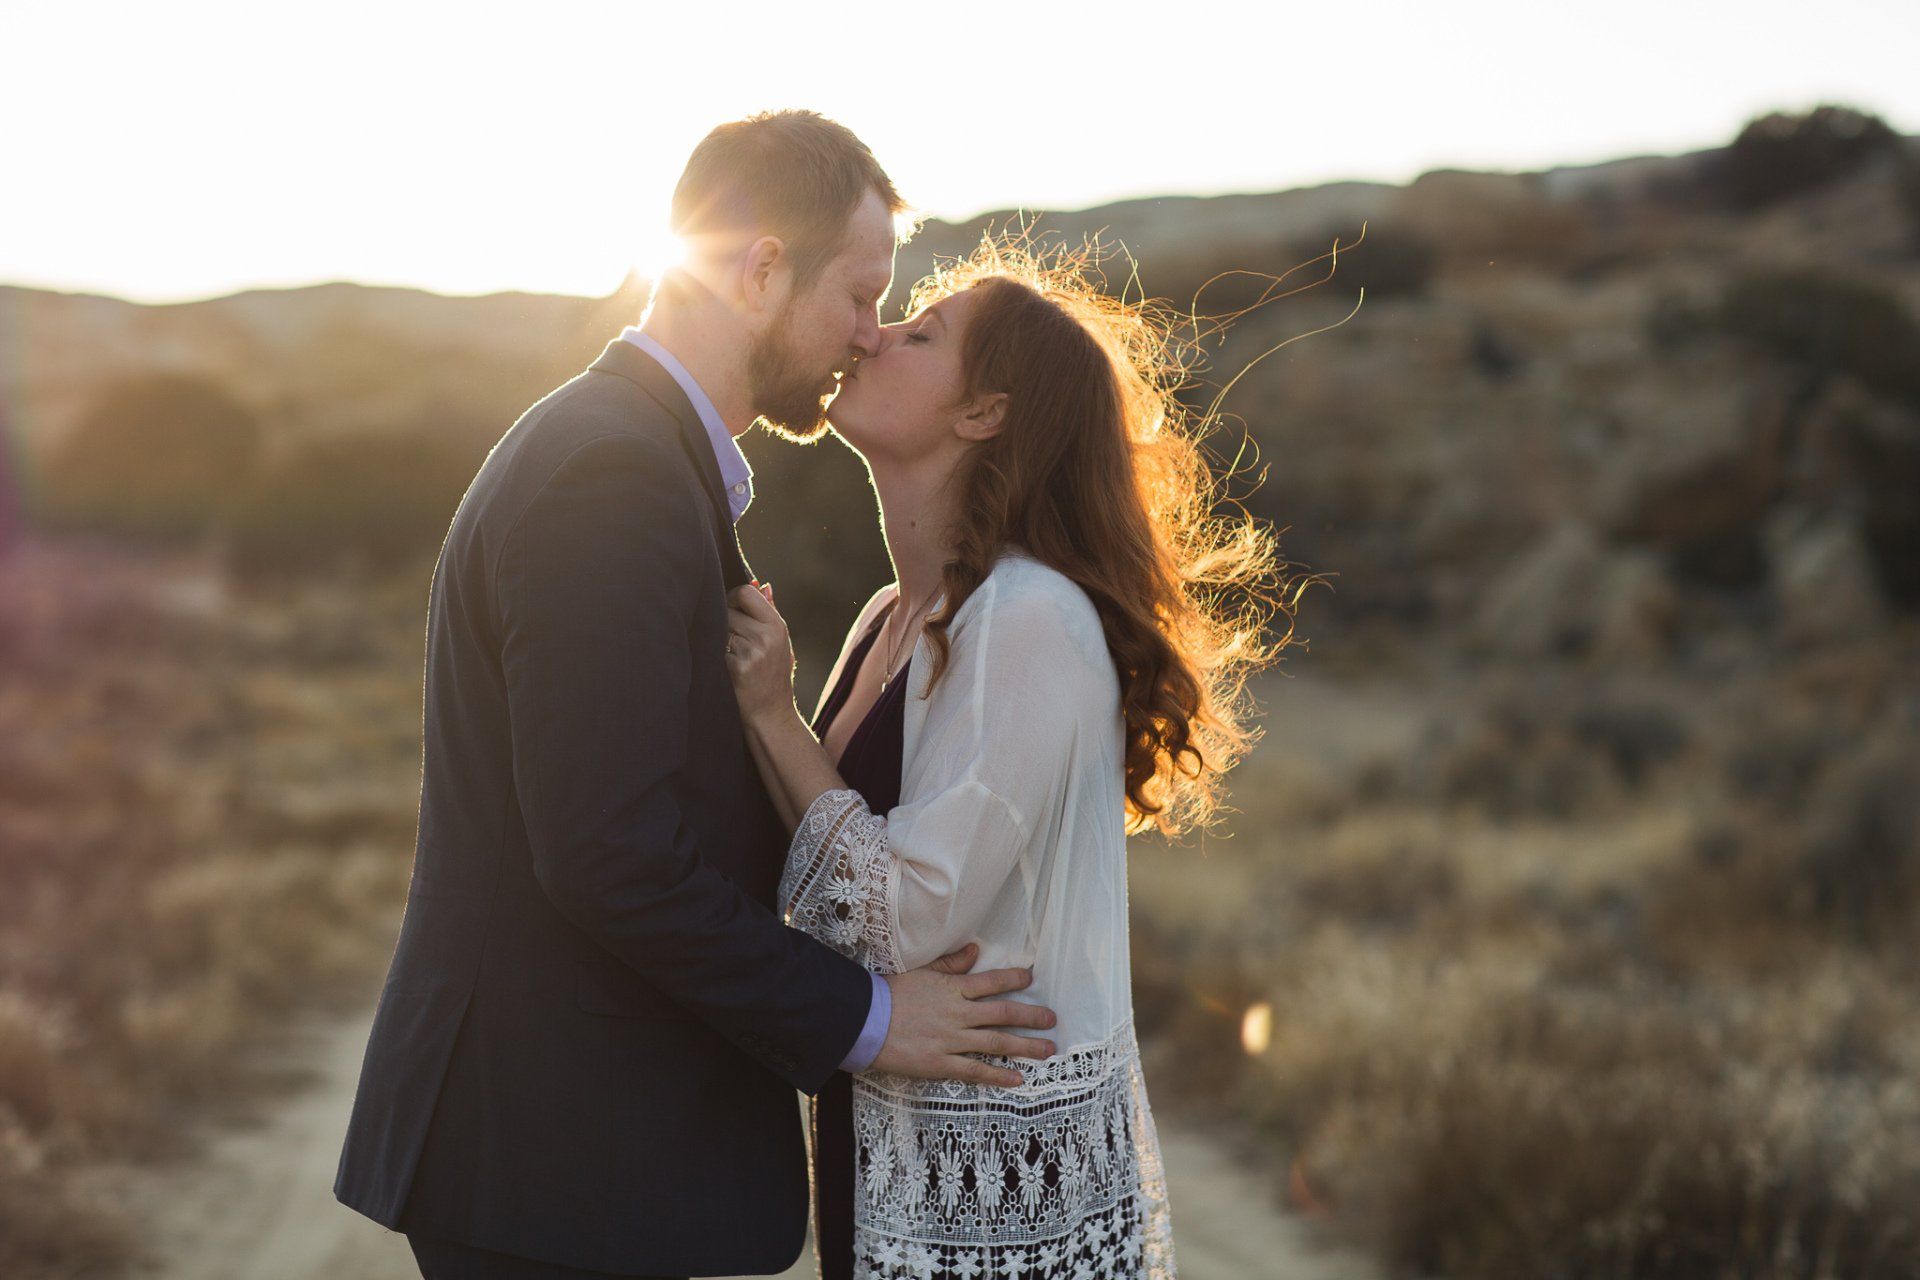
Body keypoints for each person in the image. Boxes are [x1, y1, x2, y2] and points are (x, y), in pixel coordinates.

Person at [333, 110, 1061, 1280]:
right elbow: (606, 848)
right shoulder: (612, 471)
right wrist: (871, 1017)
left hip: (568, 1157)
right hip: (547, 1160)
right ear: (760, 267)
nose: (868, 339)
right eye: (862, 297)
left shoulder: (638, 453)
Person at [723, 238, 1293, 1280]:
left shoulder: (1028, 614)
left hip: (1001, 1181)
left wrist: (769, 716)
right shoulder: (889, 617)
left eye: (922, 331)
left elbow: (902, 911)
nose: (874, 332)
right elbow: (819, 885)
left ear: (982, 413)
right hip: (884, 1138)